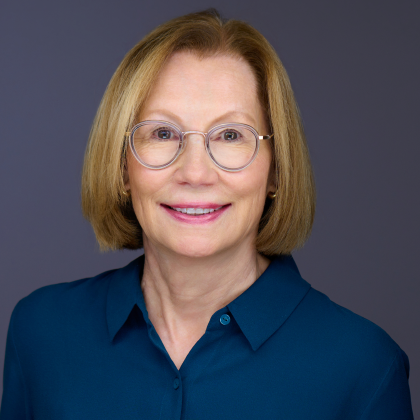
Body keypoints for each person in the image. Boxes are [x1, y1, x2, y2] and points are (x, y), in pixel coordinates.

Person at [0, 9, 414, 419]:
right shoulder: (41, 333)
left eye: (231, 135)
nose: (195, 173)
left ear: (276, 171)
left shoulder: (364, 367)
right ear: (123, 165)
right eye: (163, 133)